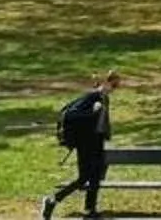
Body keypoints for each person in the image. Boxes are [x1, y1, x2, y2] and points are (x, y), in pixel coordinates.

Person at [51, 71, 121, 218]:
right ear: (105, 82)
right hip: (85, 143)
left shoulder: (104, 98)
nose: (115, 88)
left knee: (95, 177)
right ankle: (54, 199)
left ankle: (90, 210)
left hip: (97, 142)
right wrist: (92, 112)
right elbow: (72, 116)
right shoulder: (92, 97)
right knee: (84, 178)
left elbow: (101, 122)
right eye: (114, 84)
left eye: (117, 86)